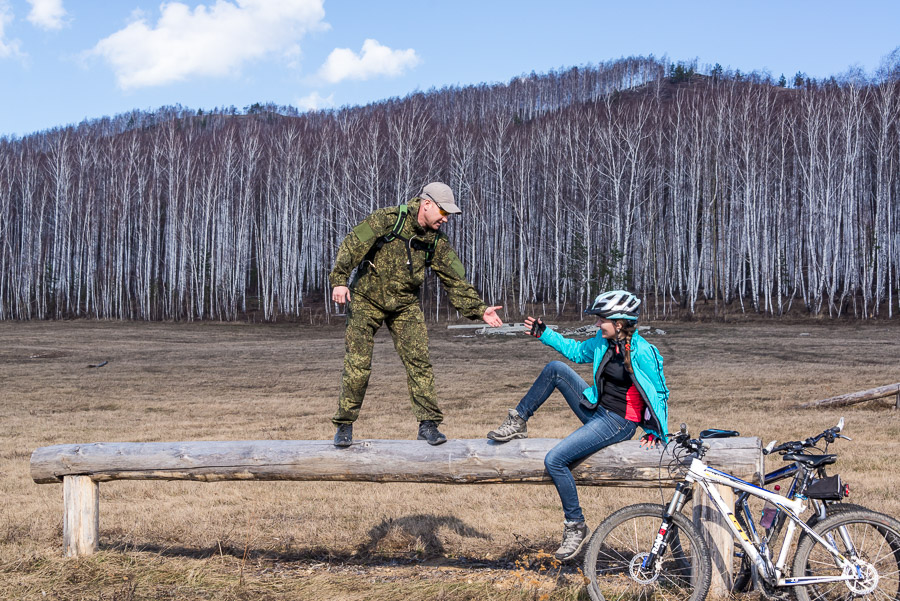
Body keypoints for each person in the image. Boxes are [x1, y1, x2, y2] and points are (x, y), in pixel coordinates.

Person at [486, 290, 669, 560]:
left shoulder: (643, 352)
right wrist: (544, 334)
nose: (597, 324)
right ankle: (518, 420)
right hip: (597, 409)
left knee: (556, 459)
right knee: (555, 369)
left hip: (619, 422)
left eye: (600, 320)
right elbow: (575, 351)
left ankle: (575, 525)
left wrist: (655, 431)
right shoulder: (602, 342)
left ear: (618, 323)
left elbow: (660, 393)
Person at [330, 182, 503, 447]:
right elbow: (353, 243)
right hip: (366, 300)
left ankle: (428, 424)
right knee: (358, 366)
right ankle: (344, 425)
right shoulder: (387, 220)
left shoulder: (436, 241)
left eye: (449, 215)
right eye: (443, 213)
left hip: (404, 305)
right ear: (427, 205)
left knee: (419, 363)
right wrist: (339, 279)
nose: (445, 219)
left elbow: (455, 280)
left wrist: (479, 309)